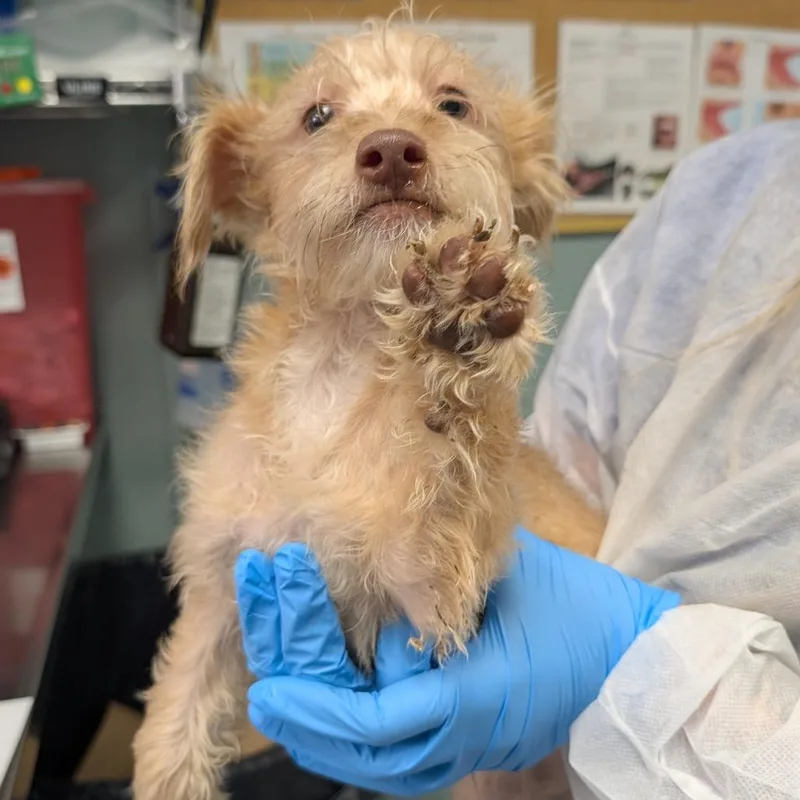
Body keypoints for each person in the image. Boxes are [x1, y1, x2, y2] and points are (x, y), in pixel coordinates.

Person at [235, 120, 800, 799]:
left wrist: (645, 657)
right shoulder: (729, 189)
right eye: (323, 117)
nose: (392, 137)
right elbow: (559, 461)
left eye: (448, 105)